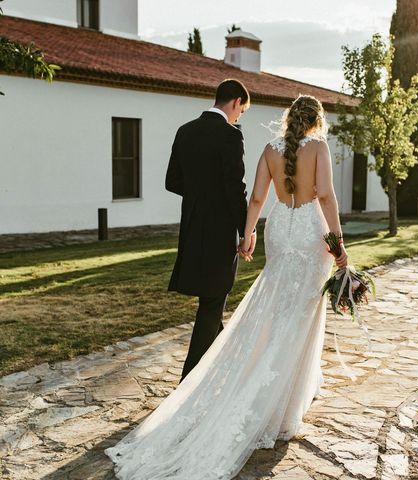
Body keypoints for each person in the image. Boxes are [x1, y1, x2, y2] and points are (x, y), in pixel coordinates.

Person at [105, 94, 348, 479]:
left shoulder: (270, 149)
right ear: (316, 120)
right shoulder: (318, 147)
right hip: (309, 234)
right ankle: (279, 406)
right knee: (299, 313)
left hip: (281, 231)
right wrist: (338, 242)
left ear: (288, 118)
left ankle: (273, 391)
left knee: (275, 308)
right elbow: (326, 196)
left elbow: (256, 197)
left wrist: (248, 234)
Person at [163, 78, 255, 382]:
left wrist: (200, 195)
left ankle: (230, 367)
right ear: (236, 102)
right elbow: (235, 188)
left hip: (191, 229)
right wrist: (246, 230)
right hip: (219, 234)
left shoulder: (184, 131)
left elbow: (172, 182)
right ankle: (187, 385)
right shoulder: (230, 136)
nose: (239, 116)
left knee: (211, 302)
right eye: (241, 110)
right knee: (213, 302)